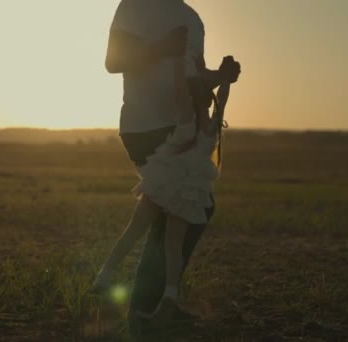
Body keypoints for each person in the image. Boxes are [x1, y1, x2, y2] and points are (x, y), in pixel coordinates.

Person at [103, 0, 241, 333]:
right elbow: (113, 61)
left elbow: (195, 82)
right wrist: (160, 47)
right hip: (145, 126)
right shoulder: (133, 7)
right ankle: (147, 310)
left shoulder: (193, 18)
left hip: (183, 127)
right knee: (177, 209)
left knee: (189, 209)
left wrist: (220, 77)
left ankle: (156, 306)